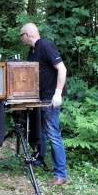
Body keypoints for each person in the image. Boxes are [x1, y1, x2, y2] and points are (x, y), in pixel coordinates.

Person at [20, 23, 68, 186]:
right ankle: (39, 159)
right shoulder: (32, 51)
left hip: (50, 99)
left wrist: (58, 93)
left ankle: (61, 174)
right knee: (41, 132)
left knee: (53, 134)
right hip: (38, 99)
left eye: (21, 35)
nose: (21, 39)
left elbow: (62, 69)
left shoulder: (45, 45)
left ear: (28, 34)